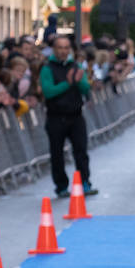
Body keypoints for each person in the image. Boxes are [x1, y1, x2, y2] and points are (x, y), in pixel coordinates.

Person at [40, 34, 96, 198]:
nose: (64, 51)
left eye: (66, 48)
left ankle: (85, 182)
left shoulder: (76, 66)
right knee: (57, 154)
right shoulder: (47, 68)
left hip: (76, 116)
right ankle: (61, 186)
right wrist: (68, 83)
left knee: (81, 151)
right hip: (56, 116)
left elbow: (86, 89)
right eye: (60, 48)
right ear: (54, 49)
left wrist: (79, 81)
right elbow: (48, 92)